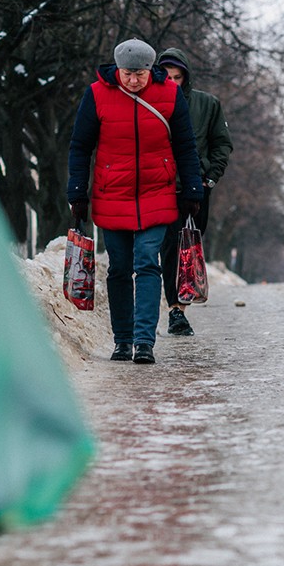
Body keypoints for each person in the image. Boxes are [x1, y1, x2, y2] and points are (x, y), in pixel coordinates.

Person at [67, 39, 204, 365]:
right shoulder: (97, 94)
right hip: (111, 194)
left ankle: (144, 342)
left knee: (147, 263)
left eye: (140, 74)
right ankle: (122, 341)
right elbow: (80, 146)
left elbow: (186, 145)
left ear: (150, 70)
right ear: (118, 70)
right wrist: (77, 191)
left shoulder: (169, 94)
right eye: (128, 74)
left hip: (157, 193)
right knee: (118, 269)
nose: (133, 81)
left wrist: (193, 189)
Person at [155, 48, 234, 337]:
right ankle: (175, 309)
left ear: (185, 77)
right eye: (167, 76)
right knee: (169, 249)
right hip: (160, 188)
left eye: (178, 77)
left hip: (194, 188)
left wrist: (210, 178)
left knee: (188, 247)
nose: (172, 82)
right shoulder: (149, 102)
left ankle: (179, 307)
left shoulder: (207, 104)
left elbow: (222, 144)